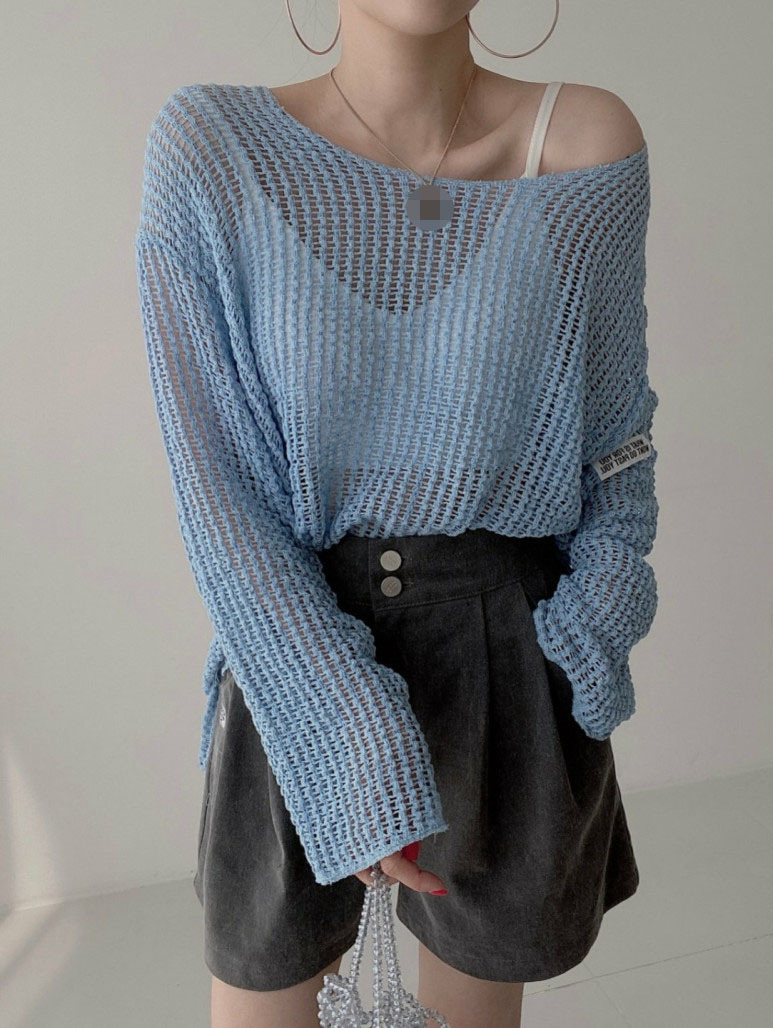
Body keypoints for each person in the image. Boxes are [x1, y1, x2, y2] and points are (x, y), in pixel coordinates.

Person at [134, 1, 658, 1025]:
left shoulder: (582, 146)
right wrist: (348, 736)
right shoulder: (210, 147)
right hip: (291, 659)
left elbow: (617, 444)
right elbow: (218, 493)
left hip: (504, 654)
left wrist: (586, 634)